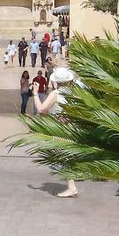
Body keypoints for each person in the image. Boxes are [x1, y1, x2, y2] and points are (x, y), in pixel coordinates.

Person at [34, 66, 79, 198]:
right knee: (65, 157)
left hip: (60, 130)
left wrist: (36, 93)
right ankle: (72, 186)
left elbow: (42, 109)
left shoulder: (56, 94)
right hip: (71, 129)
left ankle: (72, 187)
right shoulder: (73, 93)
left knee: (62, 158)